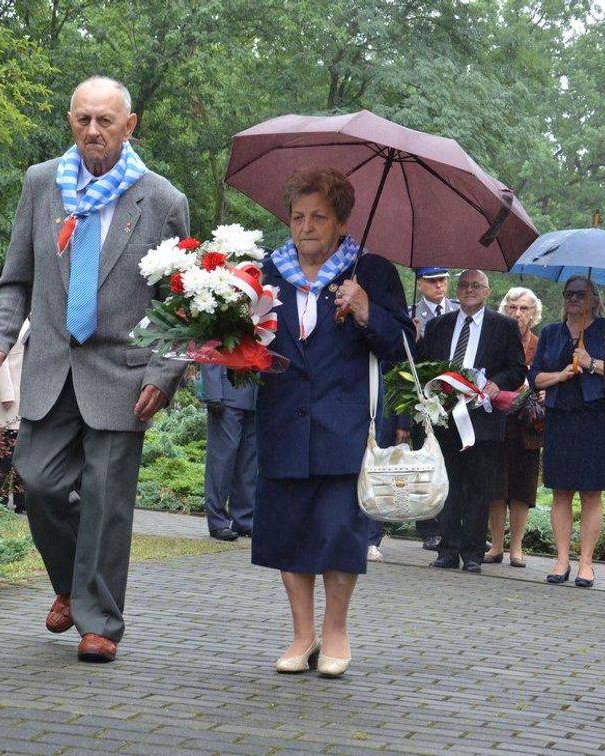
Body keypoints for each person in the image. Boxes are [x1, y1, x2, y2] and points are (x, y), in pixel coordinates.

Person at [0, 76, 190, 663]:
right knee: (38, 481)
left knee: (106, 499)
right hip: (49, 367)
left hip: (124, 374)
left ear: (130, 125)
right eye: (83, 120)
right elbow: (15, 277)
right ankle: (69, 582)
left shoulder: (163, 200)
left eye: (105, 121)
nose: (93, 131)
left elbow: (183, 303)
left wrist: (163, 374)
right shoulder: (42, 184)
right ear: (70, 121)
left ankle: (99, 623)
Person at [253, 167, 412, 677]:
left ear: (342, 221)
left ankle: (337, 631)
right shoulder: (266, 271)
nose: (306, 227)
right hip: (282, 419)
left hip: (345, 423)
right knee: (289, 530)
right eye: (298, 216)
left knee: (339, 530)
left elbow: (402, 347)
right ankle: (302, 636)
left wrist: (366, 310)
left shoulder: (372, 272)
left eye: (319, 217)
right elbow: (247, 345)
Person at [419, 269, 527, 573]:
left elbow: (516, 369)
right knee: (449, 483)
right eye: (464, 285)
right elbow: (425, 366)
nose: (469, 290)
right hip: (445, 415)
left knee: (479, 486)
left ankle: (473, 554)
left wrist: (496, 383)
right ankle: (447, 550)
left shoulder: (504, 326)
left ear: (487, 291)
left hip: (483, 417)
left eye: (476, 285)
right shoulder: (439, 325)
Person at [528, 277, 605, 587]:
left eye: (581, 294)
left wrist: (592, 364)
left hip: (595, 419)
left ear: (594, 298)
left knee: (591, 493)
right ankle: (562, 559)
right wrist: (562, 374)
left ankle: (587, 564)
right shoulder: (551, 332)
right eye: (569, 294)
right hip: (560, 418)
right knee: (560, 491)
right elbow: (535, 376)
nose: (573, 299)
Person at [484, 287, 544, 569]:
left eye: (524, 308)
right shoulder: (495, 340)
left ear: (534, 314)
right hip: (497, 421)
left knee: (522, 488)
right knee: (496, 486)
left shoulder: (539, 343)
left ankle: (517, 549)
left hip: (527, 427)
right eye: (512, 307)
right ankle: (496, 545)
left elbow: (544, 376)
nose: (518, 313)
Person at [408, 267, 459, 549]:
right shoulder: (410, 312)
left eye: (443, 280)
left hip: (453, 400)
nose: (439, 285)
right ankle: (427, 527)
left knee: (450, 464)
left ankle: (451, 526)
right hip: (422, 399)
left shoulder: (458, 311)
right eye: (432, 280)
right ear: (420, 283)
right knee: (423, 462)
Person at [201, 364, 256, 541]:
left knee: (249, 463)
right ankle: (218, 522)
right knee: (221, 461)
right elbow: (211, 348)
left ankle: (244, 520)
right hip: (227, 394)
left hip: (257, 396)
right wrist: (213, 393)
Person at [0, 319, 29, 513]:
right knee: (3, 453)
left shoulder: (32, 310)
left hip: (26, 396)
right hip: (9, 396)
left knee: (24, 451)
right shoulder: (2, 311)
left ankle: (23, 501)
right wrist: (6, 393)